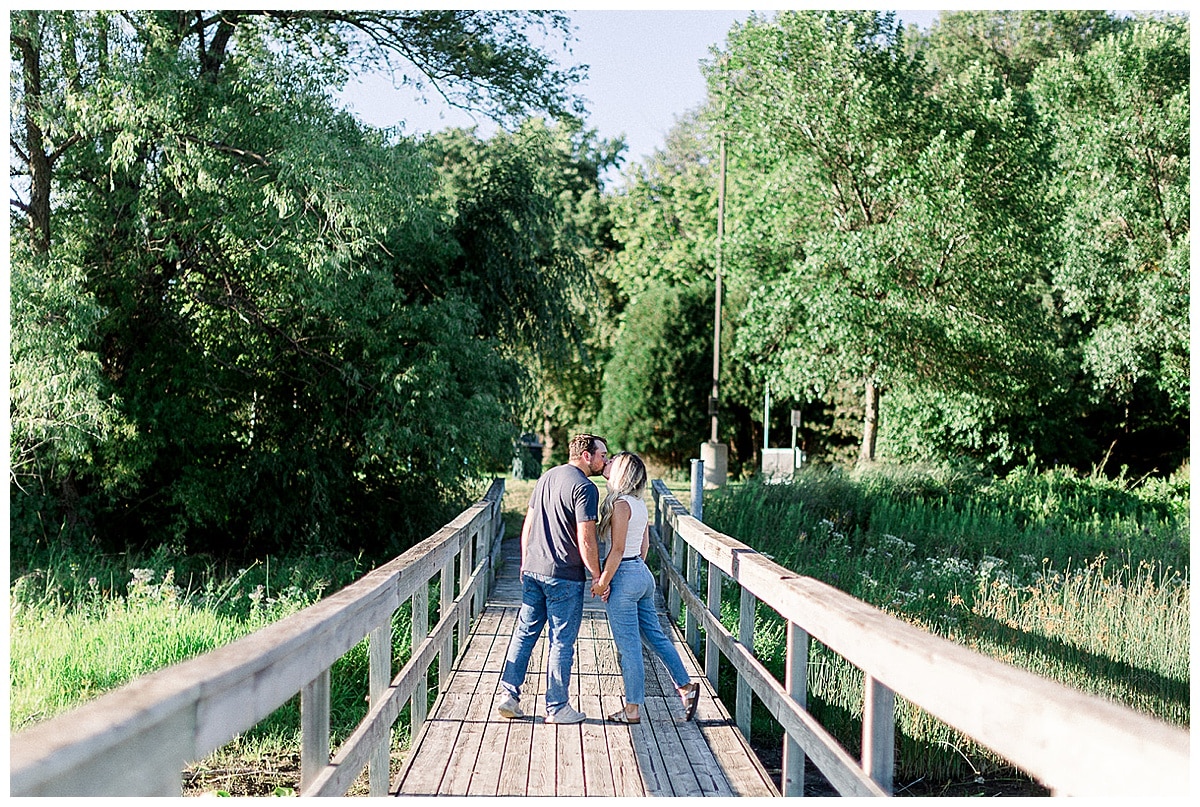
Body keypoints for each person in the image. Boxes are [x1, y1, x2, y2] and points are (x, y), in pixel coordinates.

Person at [495, 433, 608, 724]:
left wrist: (524, 560)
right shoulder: (585, 487)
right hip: (564, 576)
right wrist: (598, 575)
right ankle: (557, 707)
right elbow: (586, 537)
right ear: (586, 455)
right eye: (602, 455)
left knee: (525, 632)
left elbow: (529, 522)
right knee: (561, 641)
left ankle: (509, 695)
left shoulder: (547, 477)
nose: (604, 460)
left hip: (533, 569)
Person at [591, 452, 700, 724]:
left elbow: (616, 551)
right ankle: (686, 687)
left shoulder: (619, 505)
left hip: (624, 575)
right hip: (641, 573)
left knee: (628, 648)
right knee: (656, 638)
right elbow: (644, 547)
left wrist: (604, 581)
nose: (608, 463)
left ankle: (632, 710)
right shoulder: (639, 504)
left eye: (613, 462)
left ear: (622, 472)